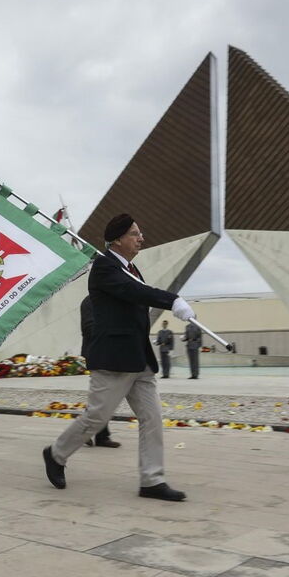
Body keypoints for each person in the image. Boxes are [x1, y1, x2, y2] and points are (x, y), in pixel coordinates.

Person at [43, 213, 195, 501]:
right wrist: (172, 299)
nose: (141, 238)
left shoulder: (132, 269)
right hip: (113, 358)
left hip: (139, 359)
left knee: (152, 418)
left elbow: (136, 294)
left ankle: (152, 480)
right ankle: (56, 454)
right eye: (135, 233)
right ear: (117, 239)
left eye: (140, 233)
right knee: (97, 418)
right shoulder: (104, 267)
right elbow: (134, 292)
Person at [79, 294, 120, 448]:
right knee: (102, 396)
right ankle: (85, 432)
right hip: (96, 353)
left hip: (108, 353)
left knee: (105, 396)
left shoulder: (106, 300)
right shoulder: (90, 301)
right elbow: (89, 327)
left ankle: (99, 435)